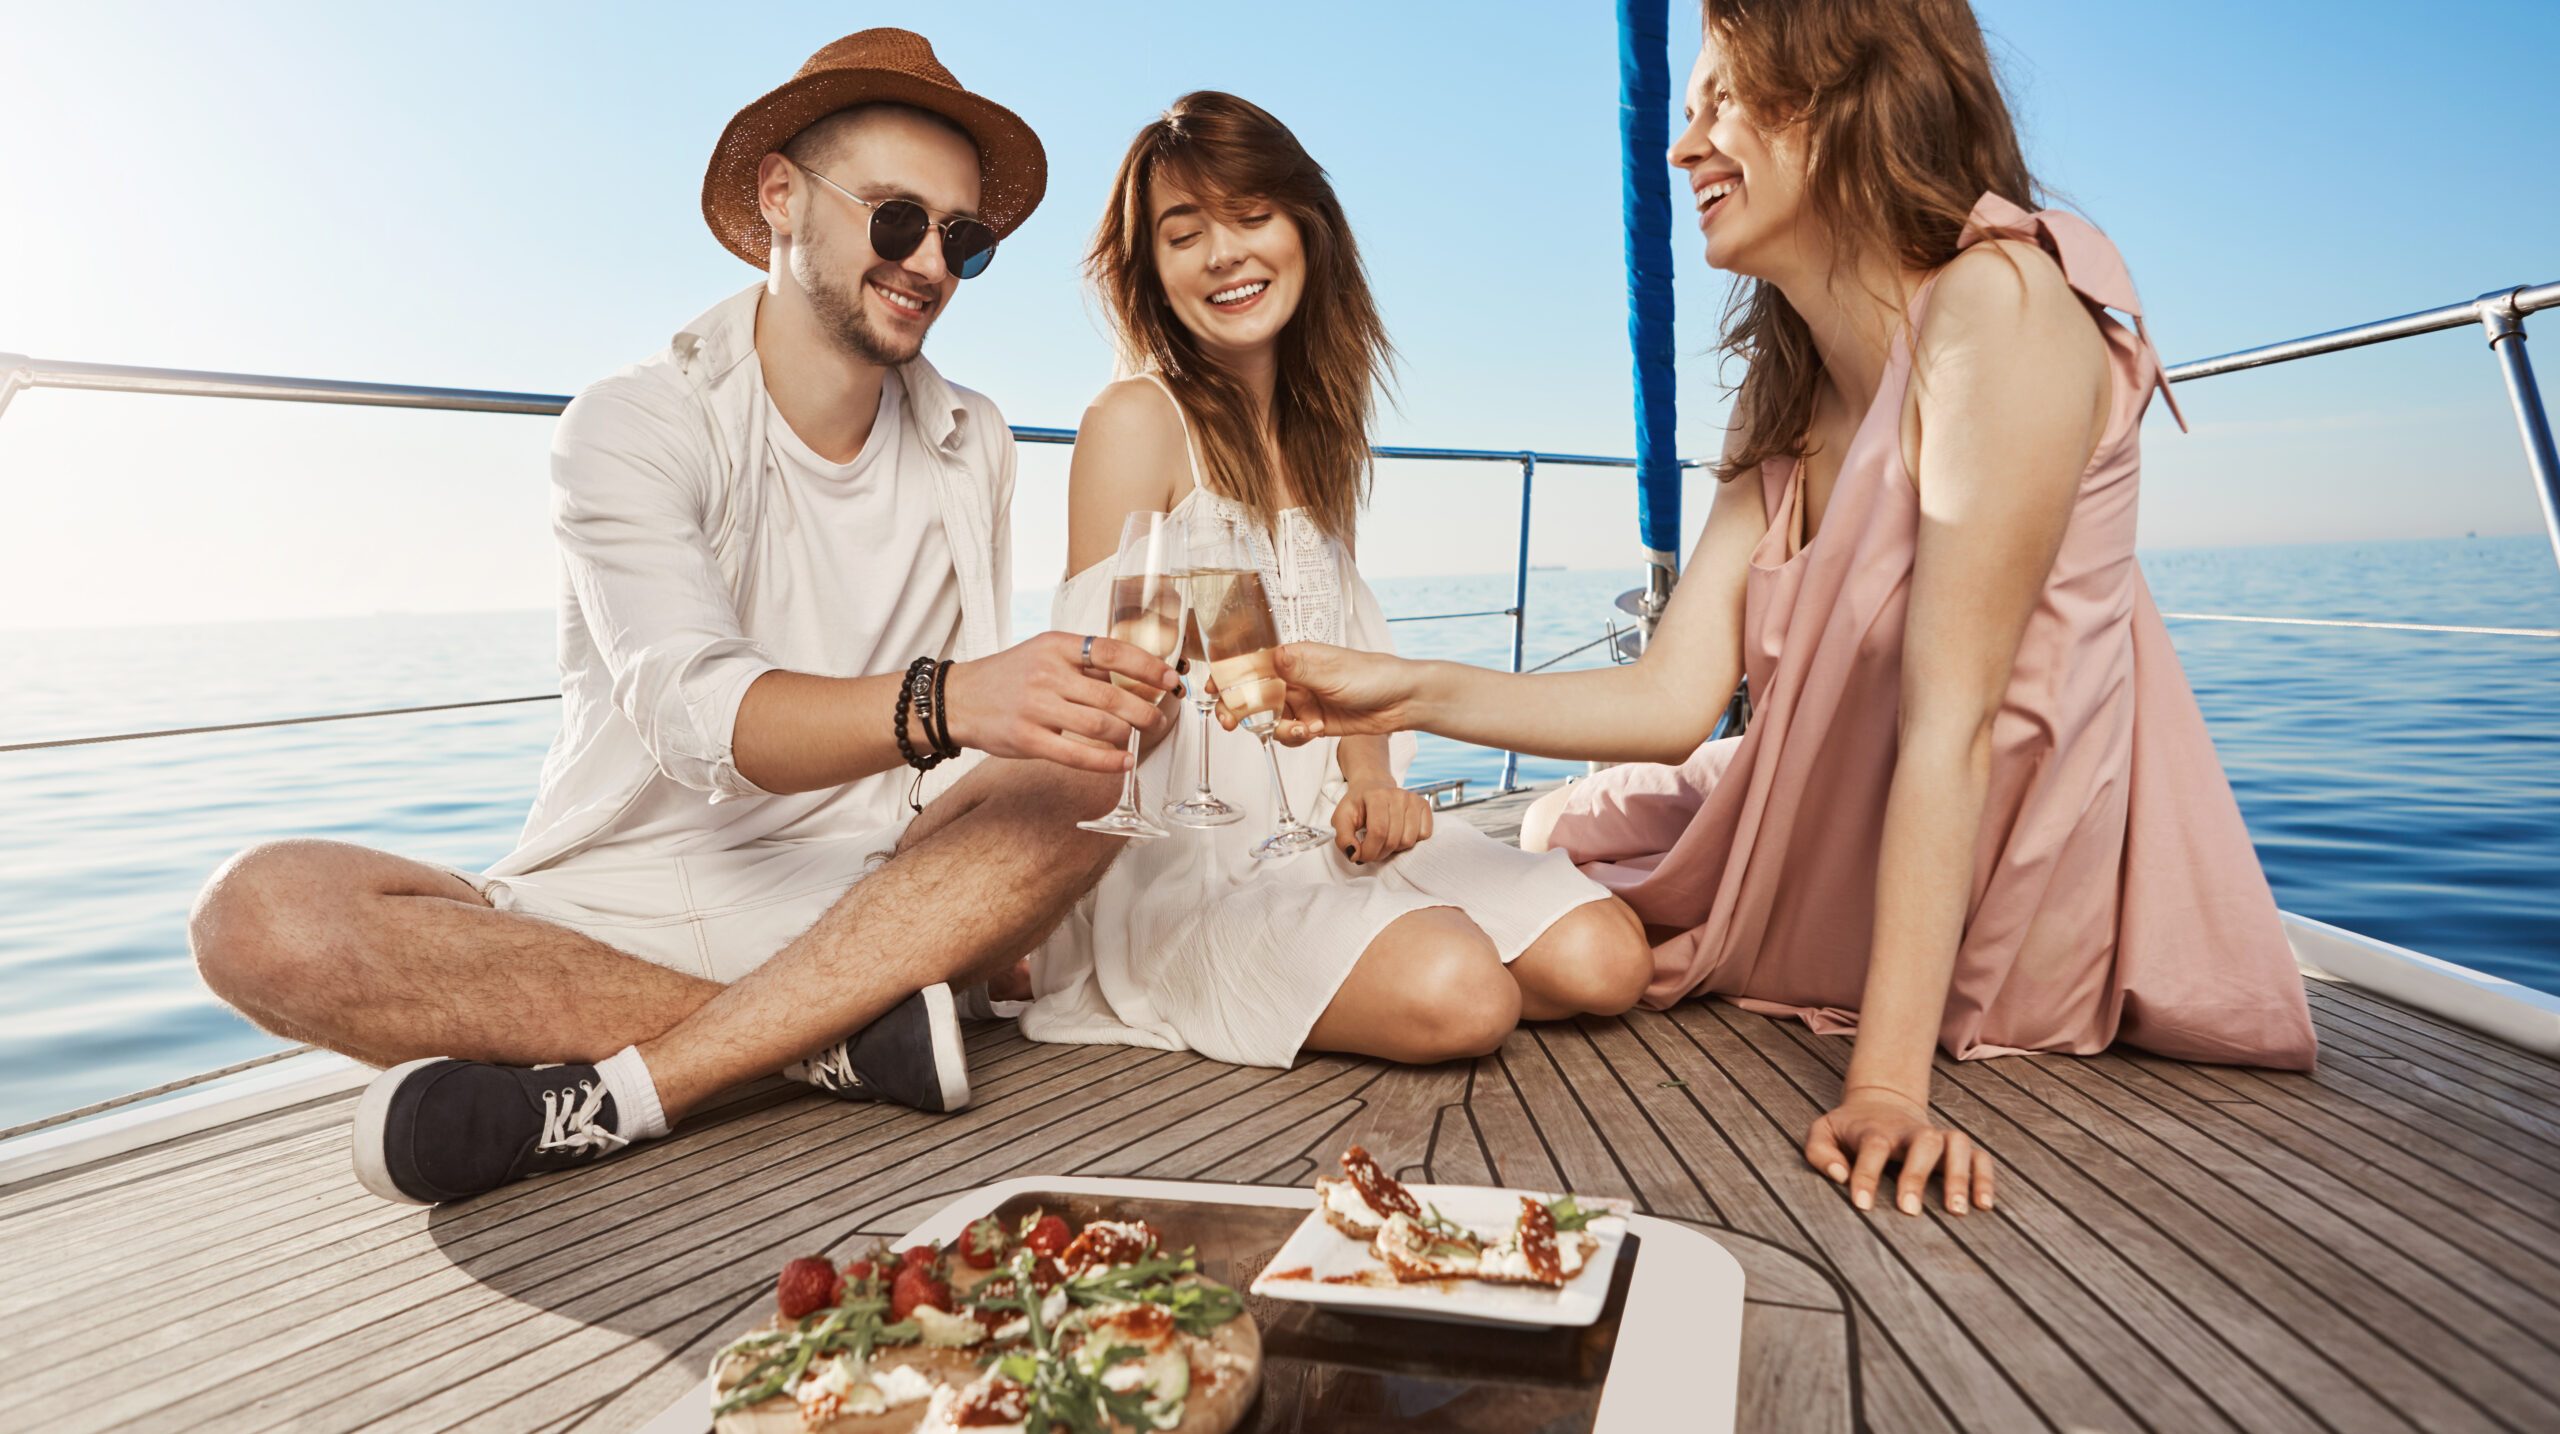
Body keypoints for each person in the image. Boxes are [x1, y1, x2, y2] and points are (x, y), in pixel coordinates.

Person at [1258, 0, 2319, 1217]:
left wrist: (1886, 1089)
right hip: (1820, 808)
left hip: (1992, 874)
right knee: (1565, 824)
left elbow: (1952, 725)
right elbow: (1667, 699)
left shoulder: (2001, 305)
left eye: (1722, 100)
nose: (1681, 144)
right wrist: (1407, 687)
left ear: (1847, 94)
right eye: (1687, 108)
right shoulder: (1794, 389)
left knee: (1586, 870)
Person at [186, 29, 1182, 1206]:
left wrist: (1049, 747)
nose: (930, 265)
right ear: (780, 197)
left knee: (1100, 761)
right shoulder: (629, 423)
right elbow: (697, 718)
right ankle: (824, 1046)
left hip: (871, 898)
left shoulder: (974, 437)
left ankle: (645, 1082)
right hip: (617, 905)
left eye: (964, 241)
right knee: (256, 917)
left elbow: (977, 740)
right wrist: (952, 701)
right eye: (896, 218)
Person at [1022, 92, 1654, 1071]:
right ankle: (1354, 960)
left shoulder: (1318, 439)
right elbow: (1103, 686)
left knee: (1606, 960)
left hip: (1329, 832)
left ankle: (1379, 949)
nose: (1223, 253)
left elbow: (1345, 660)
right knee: (1460, 995)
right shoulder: (1135, 420)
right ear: (1150, 270)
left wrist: (1370, 781)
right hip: (1196, 861)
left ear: (1303, 227)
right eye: (1184, 234)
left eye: (1250, 215)